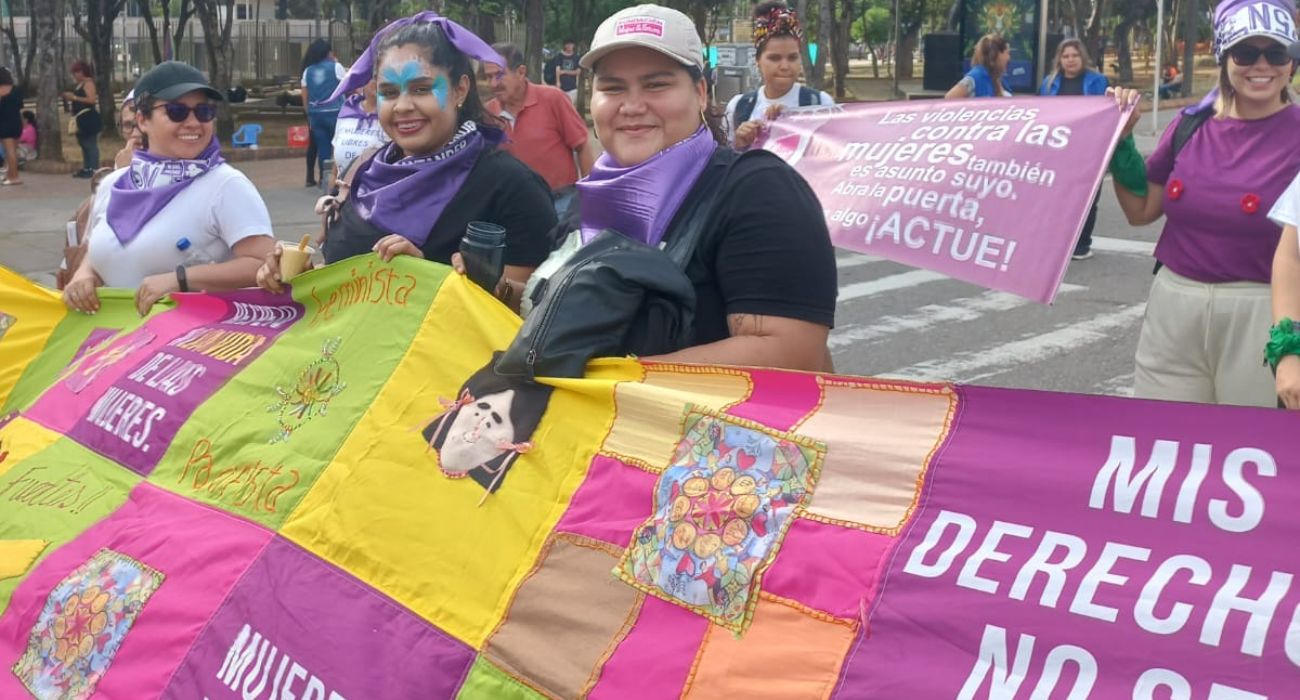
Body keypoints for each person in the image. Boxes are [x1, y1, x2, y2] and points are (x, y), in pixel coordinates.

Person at [470, 4, 837, 372]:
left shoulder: (757, 191)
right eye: (612, 87)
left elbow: (790, 353)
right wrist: (497, 288)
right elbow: (563, 315)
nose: (631, 106)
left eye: (656, 84)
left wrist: (605, 380)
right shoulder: (590, 200)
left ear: (700, 92)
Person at [255, 12, 556, 292]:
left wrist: (427, 278)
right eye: (388, 93)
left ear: (460, 90)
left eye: (421, 89)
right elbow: (343, 273)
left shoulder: (511, 186)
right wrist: (302, 277)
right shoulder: (365, 169)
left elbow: (535, 305)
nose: (402, 106)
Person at [1109, 0, 1300, 407]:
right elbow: (1141, 210)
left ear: (1292, 62)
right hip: (1173, 308)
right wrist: (1119, 142)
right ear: (1224, 56)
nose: (1262, 66)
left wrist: (1291, 346)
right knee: (1164, 434)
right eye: (1245, 53)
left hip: (1261, 313)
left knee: (1250, 440)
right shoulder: (1191, 124)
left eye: (1276, 53)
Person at [62, 61, 276, 316]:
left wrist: (181, 280)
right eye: (177, 111)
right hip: (116, 335)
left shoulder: (226, 186)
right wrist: (85, 274)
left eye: (204, 111)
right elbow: (104, 246)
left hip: (194, 336)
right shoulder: (112, 185)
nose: (193, 122)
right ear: (142, 120)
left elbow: (267, 264)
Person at [484, 42, 596, 192]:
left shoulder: (553, 99)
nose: (493, 84)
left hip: (560, 199)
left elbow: (582, 145)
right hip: (514, 202)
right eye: (488, 77)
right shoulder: (488, 113)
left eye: (499, 75)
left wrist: (589, 195)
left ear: (521, 72)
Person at [725, 2, 833, 151]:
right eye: (774, 58)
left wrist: (793, 122)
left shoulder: (821, 103)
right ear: (758, 61)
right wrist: (739, 143)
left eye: (792, 57)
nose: (785, 66)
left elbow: (834, 154)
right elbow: (725, 159)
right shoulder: (738, 107)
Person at [1038, 38, 1108, 260]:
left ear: (1082, 57)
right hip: (1058, 150)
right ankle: (1058, 242)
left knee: (1087, 198)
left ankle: (1082, 244)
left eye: (1075, 55)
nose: (1070, 60)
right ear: (1059, 59)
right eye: (1066, 56)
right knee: (1058, 198)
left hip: (1089, 149)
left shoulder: (1097, 81)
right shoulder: (1049, 83)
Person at [302, 39, 347, 187]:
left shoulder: (308, 71)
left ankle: (324, 178)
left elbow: (305, 95)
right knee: (339, 146)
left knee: (323, 148)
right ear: (328, 52)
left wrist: (309, 113)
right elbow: (347, 85)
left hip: (316, 115)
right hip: (335, 113)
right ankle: (339, 177)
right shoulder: (336, 67)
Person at [330, 78, 388, 177]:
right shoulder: (348, 109)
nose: (378, 81)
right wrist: (333, 176)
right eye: (373, 77)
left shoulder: (394, 114)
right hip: (342, 182)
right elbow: (336, 144)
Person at [63, 60, 103, 178]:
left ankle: (93, 169)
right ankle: (87, 167)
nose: (75, 75)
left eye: (76, 72)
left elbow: (91, 100)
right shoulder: (80, 84)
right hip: (80, 118)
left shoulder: (88, 83)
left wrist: (75, 98)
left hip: (88, 117)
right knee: (84, 144)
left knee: (90, 144)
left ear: (82, 72)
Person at [946, 34, 1012, 99]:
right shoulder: (976, 76)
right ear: (997, 54)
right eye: (1007, 53)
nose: (1009, 58)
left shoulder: (998, 80)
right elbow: (950, 97)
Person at [0, 67, 22, 185]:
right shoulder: (17, 89)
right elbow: (20, 105)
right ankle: (11, 175)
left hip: (4, 123)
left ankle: (14, 177)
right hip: (16, 122)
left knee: (9, 152)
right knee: (13, 150)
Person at [554, 39, 583, 105]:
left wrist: (564, 71)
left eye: (571, 44)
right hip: (561, 86)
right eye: (567, 44)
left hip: (572, 86)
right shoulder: (559, 56)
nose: (569, 46)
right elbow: (557, 69)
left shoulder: (576, 57)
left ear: (573, 45)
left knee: (570, 105)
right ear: (565, 45)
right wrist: (558, 82)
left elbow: (578, 72)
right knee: (561, 105)